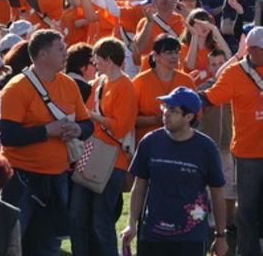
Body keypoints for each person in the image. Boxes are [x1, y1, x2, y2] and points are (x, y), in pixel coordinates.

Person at [0, 29, 93, 255]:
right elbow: (8, 136)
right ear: (42, 54)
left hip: (56, 178)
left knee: (48, 245)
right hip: (22, 179)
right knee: (12, 244)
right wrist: (47, 131)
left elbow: (88, 124)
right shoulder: (16, 87)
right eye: (60, 48)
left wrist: (77, 129)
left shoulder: (69, 84)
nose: (66, 52)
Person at [121, 87, 228, 256]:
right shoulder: (150, 141)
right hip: (152, 233)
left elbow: (217, 195)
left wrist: (220, 236)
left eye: (173, 110)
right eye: (165, 107)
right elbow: (139, 186)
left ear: (189, 117)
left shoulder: (206, 148)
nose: (165, 113)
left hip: (190, 237)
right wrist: (131, 223)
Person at [69, 38, 137, 256]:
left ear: (108, 59)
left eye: (97, 58)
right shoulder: (99, 83)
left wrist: (94, 116)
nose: (94, 62)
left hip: (111, 159)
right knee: (78, 217)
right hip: (90, 155)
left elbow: (121, 126)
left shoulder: (125, 86)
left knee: (101, 222)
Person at [200, 26, 263, 256]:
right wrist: (185, 107)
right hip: (247, 153)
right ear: (253, 50)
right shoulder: (235, 73)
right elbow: (210, 98)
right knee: (246, 208)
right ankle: (248, 252)